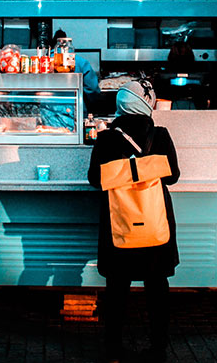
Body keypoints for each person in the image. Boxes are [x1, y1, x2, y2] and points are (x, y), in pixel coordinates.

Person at [87, 79, 180, 363]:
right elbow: (173, 175)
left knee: (116, 289)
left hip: (120, 224)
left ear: (121, 103)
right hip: (155, 223)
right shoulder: (160, 135)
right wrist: (146, 170)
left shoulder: (105, 137)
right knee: (157, 288)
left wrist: (123, 172)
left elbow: (95, 180)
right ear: (146, 102)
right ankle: (158, 348)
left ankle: (113, 348)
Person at [52, 29, 101, 113]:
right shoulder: (81, 62)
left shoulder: (44, 63)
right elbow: (92, 88)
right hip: (74, 110)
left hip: (49, 111)